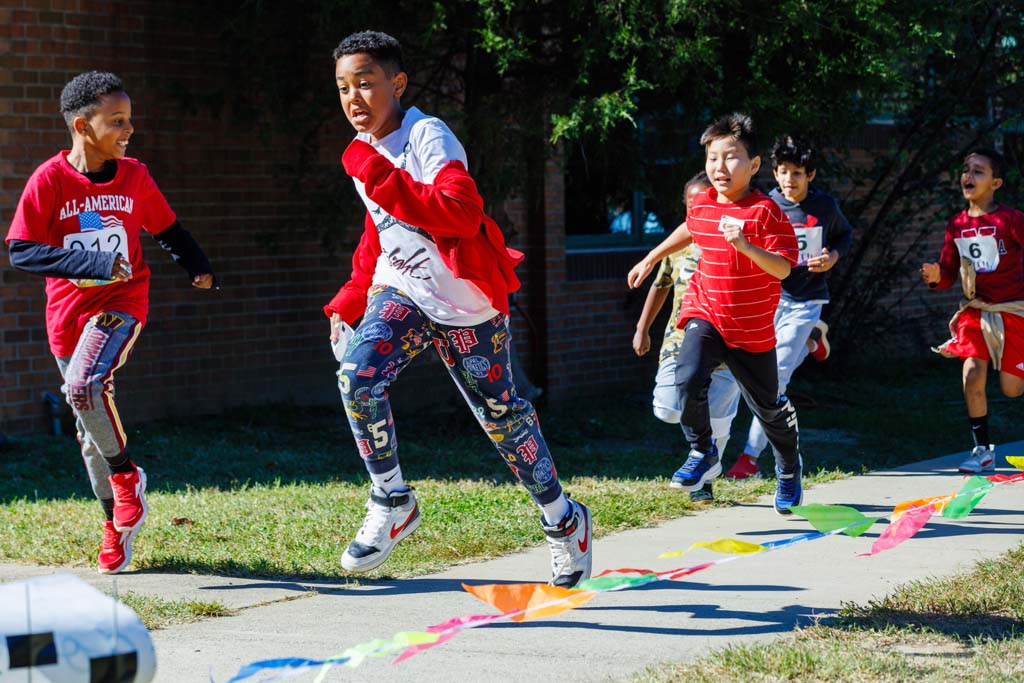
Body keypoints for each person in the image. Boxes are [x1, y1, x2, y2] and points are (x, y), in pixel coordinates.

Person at [323, 31, 591, 587]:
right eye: (344, 88)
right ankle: (391, 497)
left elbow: (460, 213)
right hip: (403, 294)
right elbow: (379, 234)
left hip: (467, 305)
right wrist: (350, 300)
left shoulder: (427, 136)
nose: (354, 99)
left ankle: (563, 521)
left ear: (397, 83)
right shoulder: (365, 153)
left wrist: (377, 172)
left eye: (366, 84)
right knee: (357, 377)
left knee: (503, 418)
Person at [5, 71, 215, 573]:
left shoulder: (134, 176)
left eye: (129, 119)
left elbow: (165, 226)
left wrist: (197, 265)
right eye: (116, 121)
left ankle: (126, 478)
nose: (129, 130)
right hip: (68, 318)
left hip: (122, 303)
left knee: (83, 386)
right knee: (87, 424)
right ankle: (115, 522)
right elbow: (22, 251)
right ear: (82, 125)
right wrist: (92, 265)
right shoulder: (50, 180)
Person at [626, 112, 805, 515]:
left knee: (768, 409)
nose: (719, 167)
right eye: (712, 158)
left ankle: (789, 469)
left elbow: (782, 268)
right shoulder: (705, 201)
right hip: (706, 313)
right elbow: (690, 227)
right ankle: (702, 450)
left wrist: (745, 245)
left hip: (752, 330)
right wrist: (651, 256)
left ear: (754, 164)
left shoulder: (766, 213)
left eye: (731, 157)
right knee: (687, 378)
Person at [723, 136, 852, 479]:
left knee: (774, 379)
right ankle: (812, 343)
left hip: (806, 300)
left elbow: (844, 236)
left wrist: (832, 257)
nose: (789, 180)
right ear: (774, 173)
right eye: (782, 172)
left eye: (797, 173)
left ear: (810, 175)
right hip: (769, 298)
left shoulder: (824, 207)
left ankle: (749, 459)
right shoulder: (766, 206)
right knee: (752, 369)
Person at [632, 171, 740, 502]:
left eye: (704, 201)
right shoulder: (675, 245)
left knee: (719, 420)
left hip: (726, 340)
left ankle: (704, 478)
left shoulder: (733, 239)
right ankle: (704, 452)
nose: (699, 208)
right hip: (679, 340)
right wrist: (642, 327)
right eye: (692, 203)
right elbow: (661, 284)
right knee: (666, 407)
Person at [920, 148, 1024, 473]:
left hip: (1013, 311)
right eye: (966, 169)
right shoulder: (957, 225)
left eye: (979, 171)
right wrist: (938, 277)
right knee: (971, 373)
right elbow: (950, 270)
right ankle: (982, 449)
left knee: (1011, 389)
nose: (969, 175)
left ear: (996, 183)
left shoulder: (1011, 220)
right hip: (976, 311)